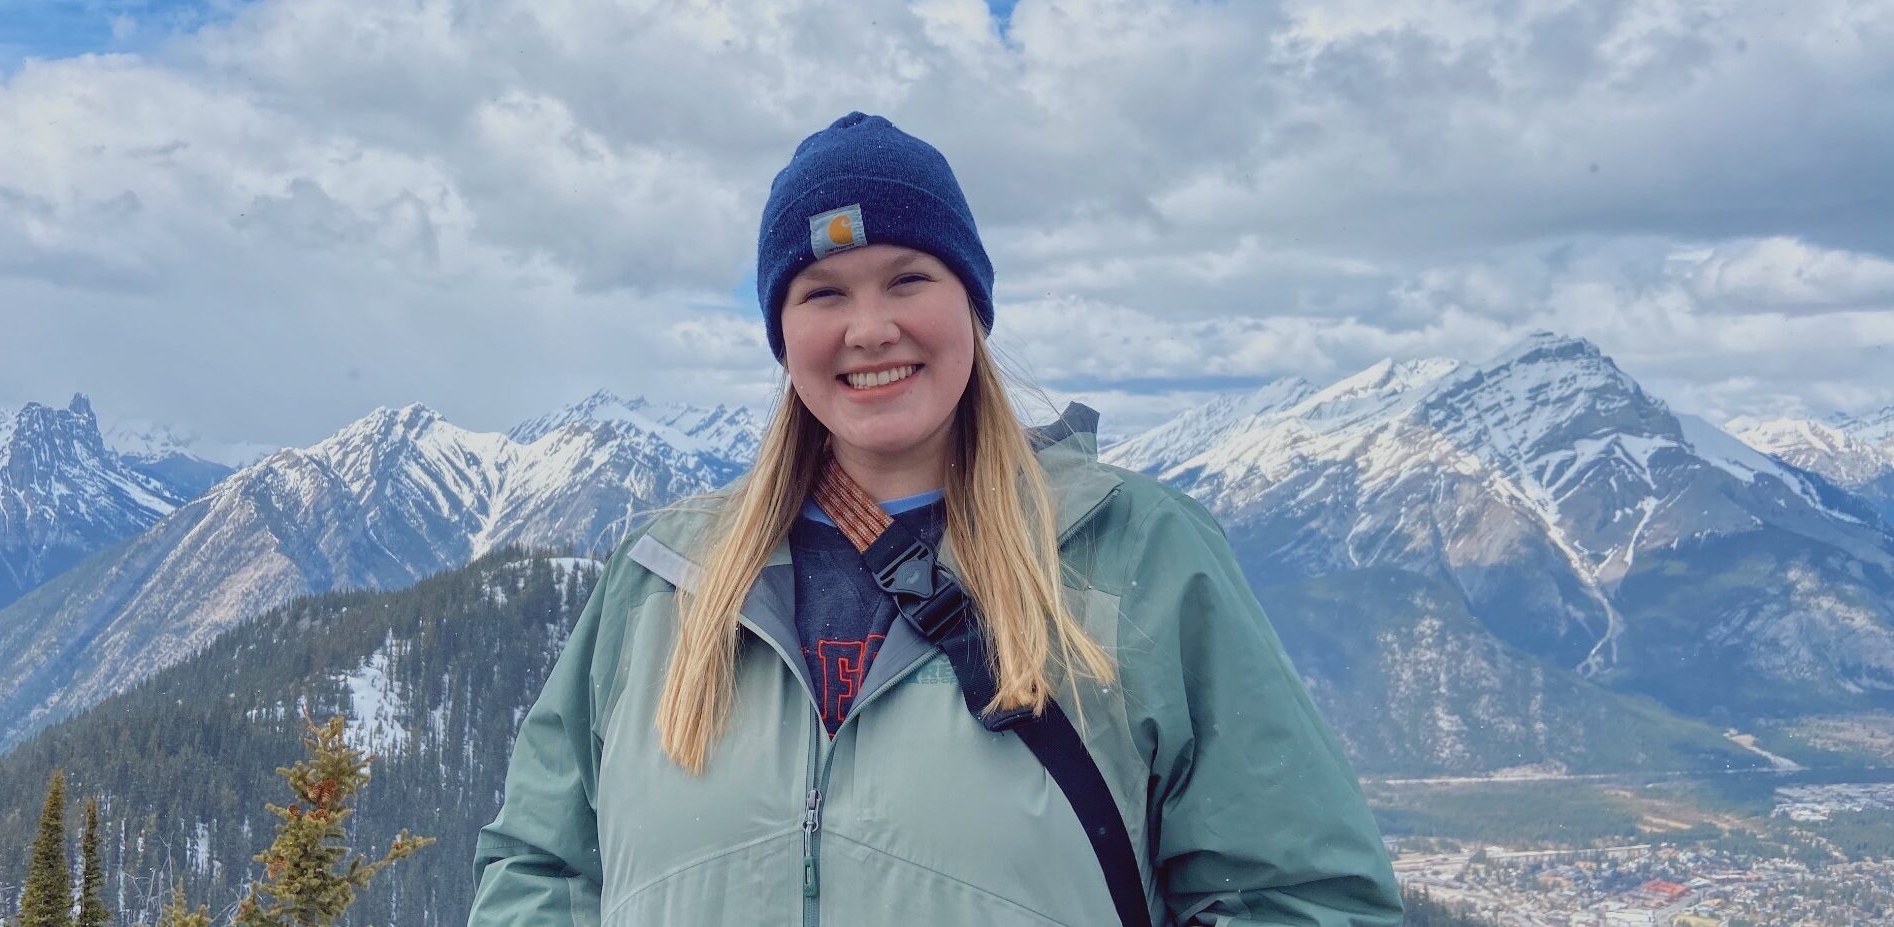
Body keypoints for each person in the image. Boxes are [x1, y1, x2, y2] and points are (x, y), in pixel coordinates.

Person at [470, 112, 1404, 926]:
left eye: (908, 278)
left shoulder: (1135, 555)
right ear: (781, 330)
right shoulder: (668, 576)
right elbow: (542, 868)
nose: (869, 327)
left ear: (972, 305)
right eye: (822, 291)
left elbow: (1304, 896)